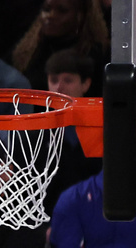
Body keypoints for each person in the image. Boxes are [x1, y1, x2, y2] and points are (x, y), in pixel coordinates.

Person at [42, 48, 102, 214]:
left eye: (68, 80)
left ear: (86, 84)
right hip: (49, 224)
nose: (59, 87)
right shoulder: (36, 134)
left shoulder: (103, 131)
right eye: (53, 80)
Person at [10, 0, 109, 96]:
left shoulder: (97, 55)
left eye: (62, 11)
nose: (51, 15)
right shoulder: (28, 52)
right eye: (47, 9)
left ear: (80, 16)